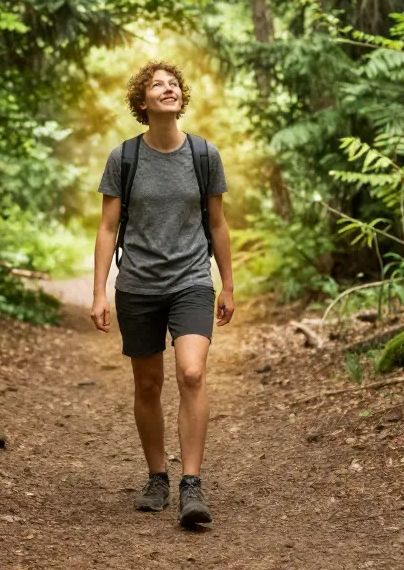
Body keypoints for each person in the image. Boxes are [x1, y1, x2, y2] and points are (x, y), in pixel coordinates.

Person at [91, 60, 234, 528]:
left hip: (191, 279)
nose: (168, 89)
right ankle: (157, 475)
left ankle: (191, 485)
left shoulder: (204, 155)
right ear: (142, 102)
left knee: (191, 373)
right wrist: (99, 292)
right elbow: (108, 227)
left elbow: (216, 222)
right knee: (148, 384)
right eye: (157, 85)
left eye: (173, 84)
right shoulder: (125, 158)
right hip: (138, 285)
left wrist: (227, 283)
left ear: (181, 98)